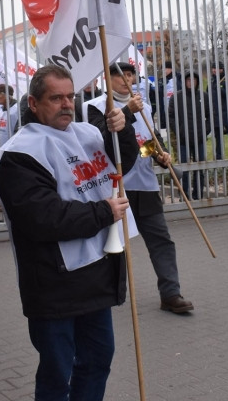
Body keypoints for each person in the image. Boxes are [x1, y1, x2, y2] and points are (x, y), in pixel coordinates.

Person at [0, 65, 138, 401]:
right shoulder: (19, 155)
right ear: (34, 103)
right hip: (53, 281)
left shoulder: (85, 133)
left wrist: (122, 129)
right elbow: (43, 217)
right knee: (58, 372)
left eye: (70, 96)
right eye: (56, 98)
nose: (66, 104)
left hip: (96, 274)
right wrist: (104, 212)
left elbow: (119, 163)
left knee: (98, 360)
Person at [85, 62, 195, 314]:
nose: (126, 79)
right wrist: (128, 111)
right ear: (107, 79)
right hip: (113, 188)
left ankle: (171, 293)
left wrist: (160, 156)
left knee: (161, 240)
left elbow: (147, 142)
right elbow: (101, 139)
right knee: (112, 245)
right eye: (120, 75)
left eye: (130, 74)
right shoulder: (94, 107)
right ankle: (106, 296)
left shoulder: (144, 107)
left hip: (145, 186)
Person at [170, 71, 209, 199]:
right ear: (184, 81)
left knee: (200, 167)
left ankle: (198, 195)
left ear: (197, 82)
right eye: (188, 80)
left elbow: (210, 115)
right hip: (183, 139)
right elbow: (171, 117)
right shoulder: (177, 98)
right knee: (184, 168)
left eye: (193, 80)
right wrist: (179, 131)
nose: (191, 83)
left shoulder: (203, 96)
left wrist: (205, 131)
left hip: (200, 138)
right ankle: (185, 196)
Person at [208, 66, 228, 160]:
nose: (214, 70)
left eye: (216, 68)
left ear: (222, 69)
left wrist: (220, 89)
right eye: (213, 68)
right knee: (218, 135)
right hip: (215, 113)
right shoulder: (212, 80)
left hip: (226, 112)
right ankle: (219, 156)